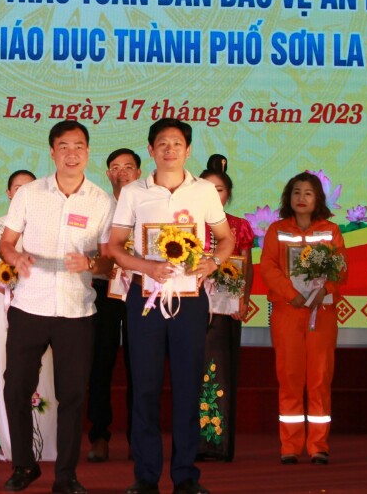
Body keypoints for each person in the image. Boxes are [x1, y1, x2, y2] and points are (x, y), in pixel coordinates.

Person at [107, 119, 235, 494]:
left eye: (177, 143)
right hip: (144, 300)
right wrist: (146, 267)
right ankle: (146, 475)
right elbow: (115, 246)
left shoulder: (204, 191)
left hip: (189, 301)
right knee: (144, 388)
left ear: (188, 150)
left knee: (188, 386)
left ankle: (185, 475)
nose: (169, 150)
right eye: (162, 143)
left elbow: (225, 239)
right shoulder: (134, 192)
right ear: (150, 150)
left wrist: (213, 262)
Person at [0, 121, 116, 494]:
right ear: (52, 152)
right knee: (15, 388)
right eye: (63, 146)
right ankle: (23, 465)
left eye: (78, 146)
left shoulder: (102, 201)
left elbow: (110, 260)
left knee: (73, 395)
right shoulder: (29, 194)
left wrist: (91, 264)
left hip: (76, 311)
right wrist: (15, 257)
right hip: (29, 306)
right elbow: (6, 243)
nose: (71, 153)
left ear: (88, 152)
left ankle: (66, 475)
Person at [257, 171, 346, 465]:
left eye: (308, 192)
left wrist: (326, 289)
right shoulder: (277, 230)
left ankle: (318, 445)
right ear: (288, 197)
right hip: (288, 311)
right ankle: (290, 445)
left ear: (318, 198)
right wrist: (290, 293)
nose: (302, 198)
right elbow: (268, 267)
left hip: (322, 312)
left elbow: (341, 268)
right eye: (296, 192)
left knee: (320, 377)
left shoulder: (331, 230)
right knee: (290, 377)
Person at [0, 169, 58, 463]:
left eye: (29, 187)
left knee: (43, 368)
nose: (23, 192)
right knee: (6, 365)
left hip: (41, 303)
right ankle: (7, 440)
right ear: (9, 193)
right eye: (17, 188)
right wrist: (1, 286)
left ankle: (43, 440)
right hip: (6, 303)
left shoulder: (48, 225)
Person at [196, 155, 255, 463]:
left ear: (228, 194)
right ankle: (191, 442)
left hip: (224, 310)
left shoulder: (238, 226)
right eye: (206, 188)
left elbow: (247, 267)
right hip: (189, 307)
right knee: (191, 373)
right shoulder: (185, 224)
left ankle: (216, 444)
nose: (212, 194)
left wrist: (242, 298)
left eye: (218, 189)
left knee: (219, 373)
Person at [85, 149, 140, 464]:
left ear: (138, 173)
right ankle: (99, 435)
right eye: (115, 167)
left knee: (140, 366)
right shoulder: (97, 207)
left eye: (128, 167)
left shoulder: (148, 204)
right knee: (99, 365)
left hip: (140, 293)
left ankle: (138, 437)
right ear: (108, 174)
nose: (122, 172)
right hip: (104, 292)